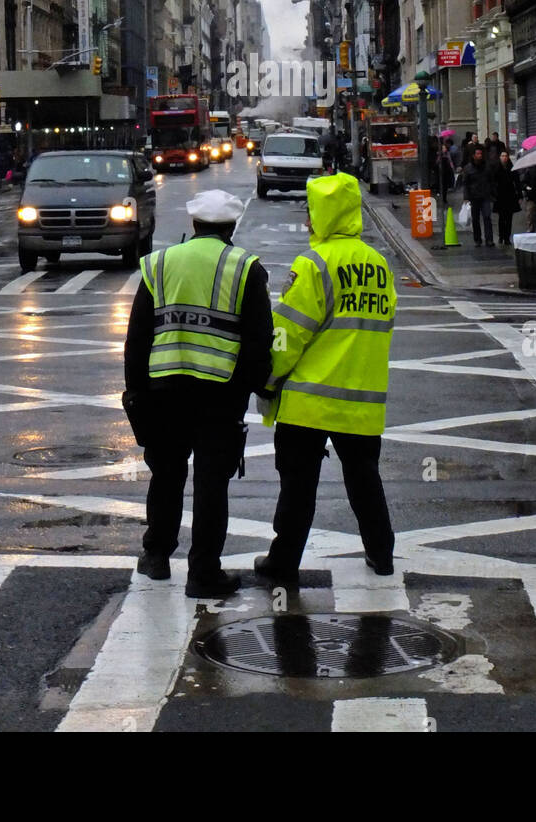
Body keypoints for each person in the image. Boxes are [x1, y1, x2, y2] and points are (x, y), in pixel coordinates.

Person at [123, 189, 273, 598]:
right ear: (231, 227)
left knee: (167, 475)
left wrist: (134, 390)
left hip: (163, 391)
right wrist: (254, 387)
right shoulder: (245, 268)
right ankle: (203, 573)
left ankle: (156, 557)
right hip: (219, 395)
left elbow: (138, 336)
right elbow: (258, 341)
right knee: (210, 484)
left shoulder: (161, 263)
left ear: (195, 225)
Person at [255, 172, 397, 585]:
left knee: (298, 489)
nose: (307, 223)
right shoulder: (379, 264)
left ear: (325, 216)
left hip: (309, 400)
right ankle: (381, 553)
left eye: (312, 214)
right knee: (364, 480)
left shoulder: (313, 264)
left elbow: (289, 333)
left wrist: (267, 380)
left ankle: (283, 563)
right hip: (363, 400)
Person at [462, 145, 499, 247]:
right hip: (474, 197)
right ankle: (477, 239)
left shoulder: (487, 167)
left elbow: (492, 181)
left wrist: (493, 193)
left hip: (485, 196)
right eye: (477, 154)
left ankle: (489, 239)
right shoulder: (468, 168)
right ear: (473, 156)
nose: (480, 156)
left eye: (481, 154)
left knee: (487, 217)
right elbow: (465, 184)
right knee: (475, 219)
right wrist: (466, 197)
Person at [493, 150, 521, 246]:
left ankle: (507, 237)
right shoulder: (496, 168)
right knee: (501, 218)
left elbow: (517, 182)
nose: (504, 157)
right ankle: (501, 236)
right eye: (502, 155)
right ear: (500, 157)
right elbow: (493, 182)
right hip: (500, 196)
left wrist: (519, 195)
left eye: (506, 156)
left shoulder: (512, 168)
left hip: (510, 196)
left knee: (509, 218)